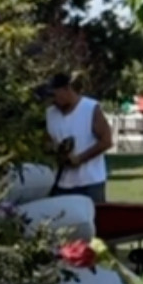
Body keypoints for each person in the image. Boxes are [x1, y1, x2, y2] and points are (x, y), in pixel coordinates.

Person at [42, 70, 112, 205]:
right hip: (62, 182)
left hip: (90, 182)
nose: (52, 100)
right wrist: (54, 149)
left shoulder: (90, 108)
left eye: (54, 95)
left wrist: (80, 158)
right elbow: (47, 141)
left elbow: (106, 141)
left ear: (66, 89)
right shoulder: (50, 113)